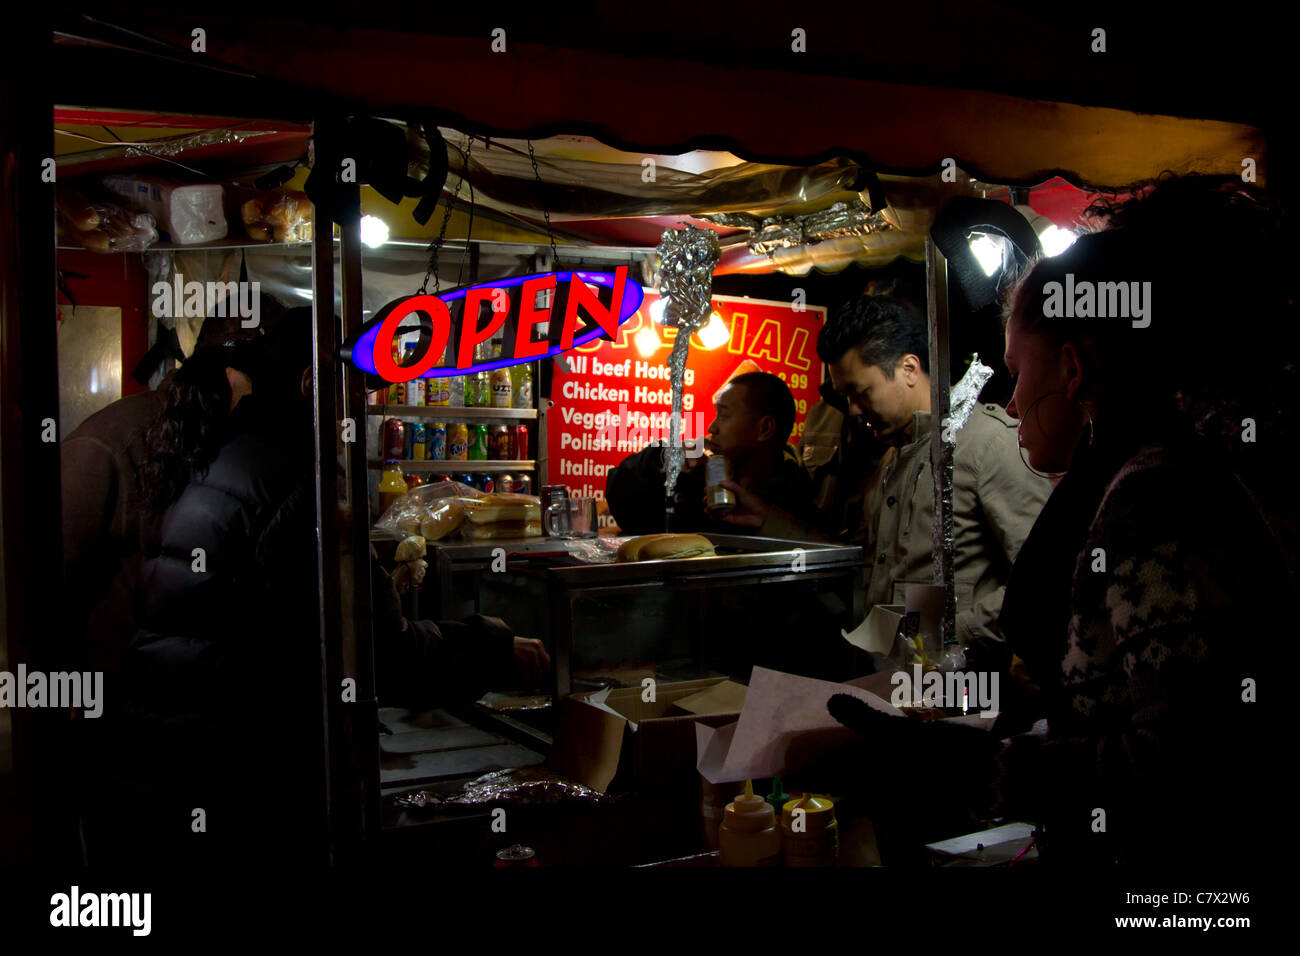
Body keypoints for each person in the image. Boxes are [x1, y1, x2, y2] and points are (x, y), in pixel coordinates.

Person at [822, 175, 1291, 866]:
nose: (1010, 404)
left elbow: (1182, 764)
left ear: (1072, 369)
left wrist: (979, 770)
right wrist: (943, 711)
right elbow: (1085, 690)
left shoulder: (1154, 496)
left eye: (1016, 372)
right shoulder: (1130, 472)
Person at [82, 309, 548, 865]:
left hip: (173, 776)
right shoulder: (299, 486)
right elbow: (383, 655)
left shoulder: (220, 461)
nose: (363, 407)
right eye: (357, 388)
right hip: (245, 791)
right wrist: (493, 647)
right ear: (312, 383)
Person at [726, 297, 1051, 652]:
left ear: (909, 369)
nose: (852, 410)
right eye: (845, 396)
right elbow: (861, 562)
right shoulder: (893, 458)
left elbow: (1044, 580)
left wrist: (949, 635)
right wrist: (766, 520)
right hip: (895, 683)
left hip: (967, 691)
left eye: (860, 392)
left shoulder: (988, 444)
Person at [605, 371, 816, 535]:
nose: (712, 427)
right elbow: (622, 502)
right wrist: (663, 457)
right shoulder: (696, 479)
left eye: (723, 416)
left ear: (764, 428)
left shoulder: (797, 502)